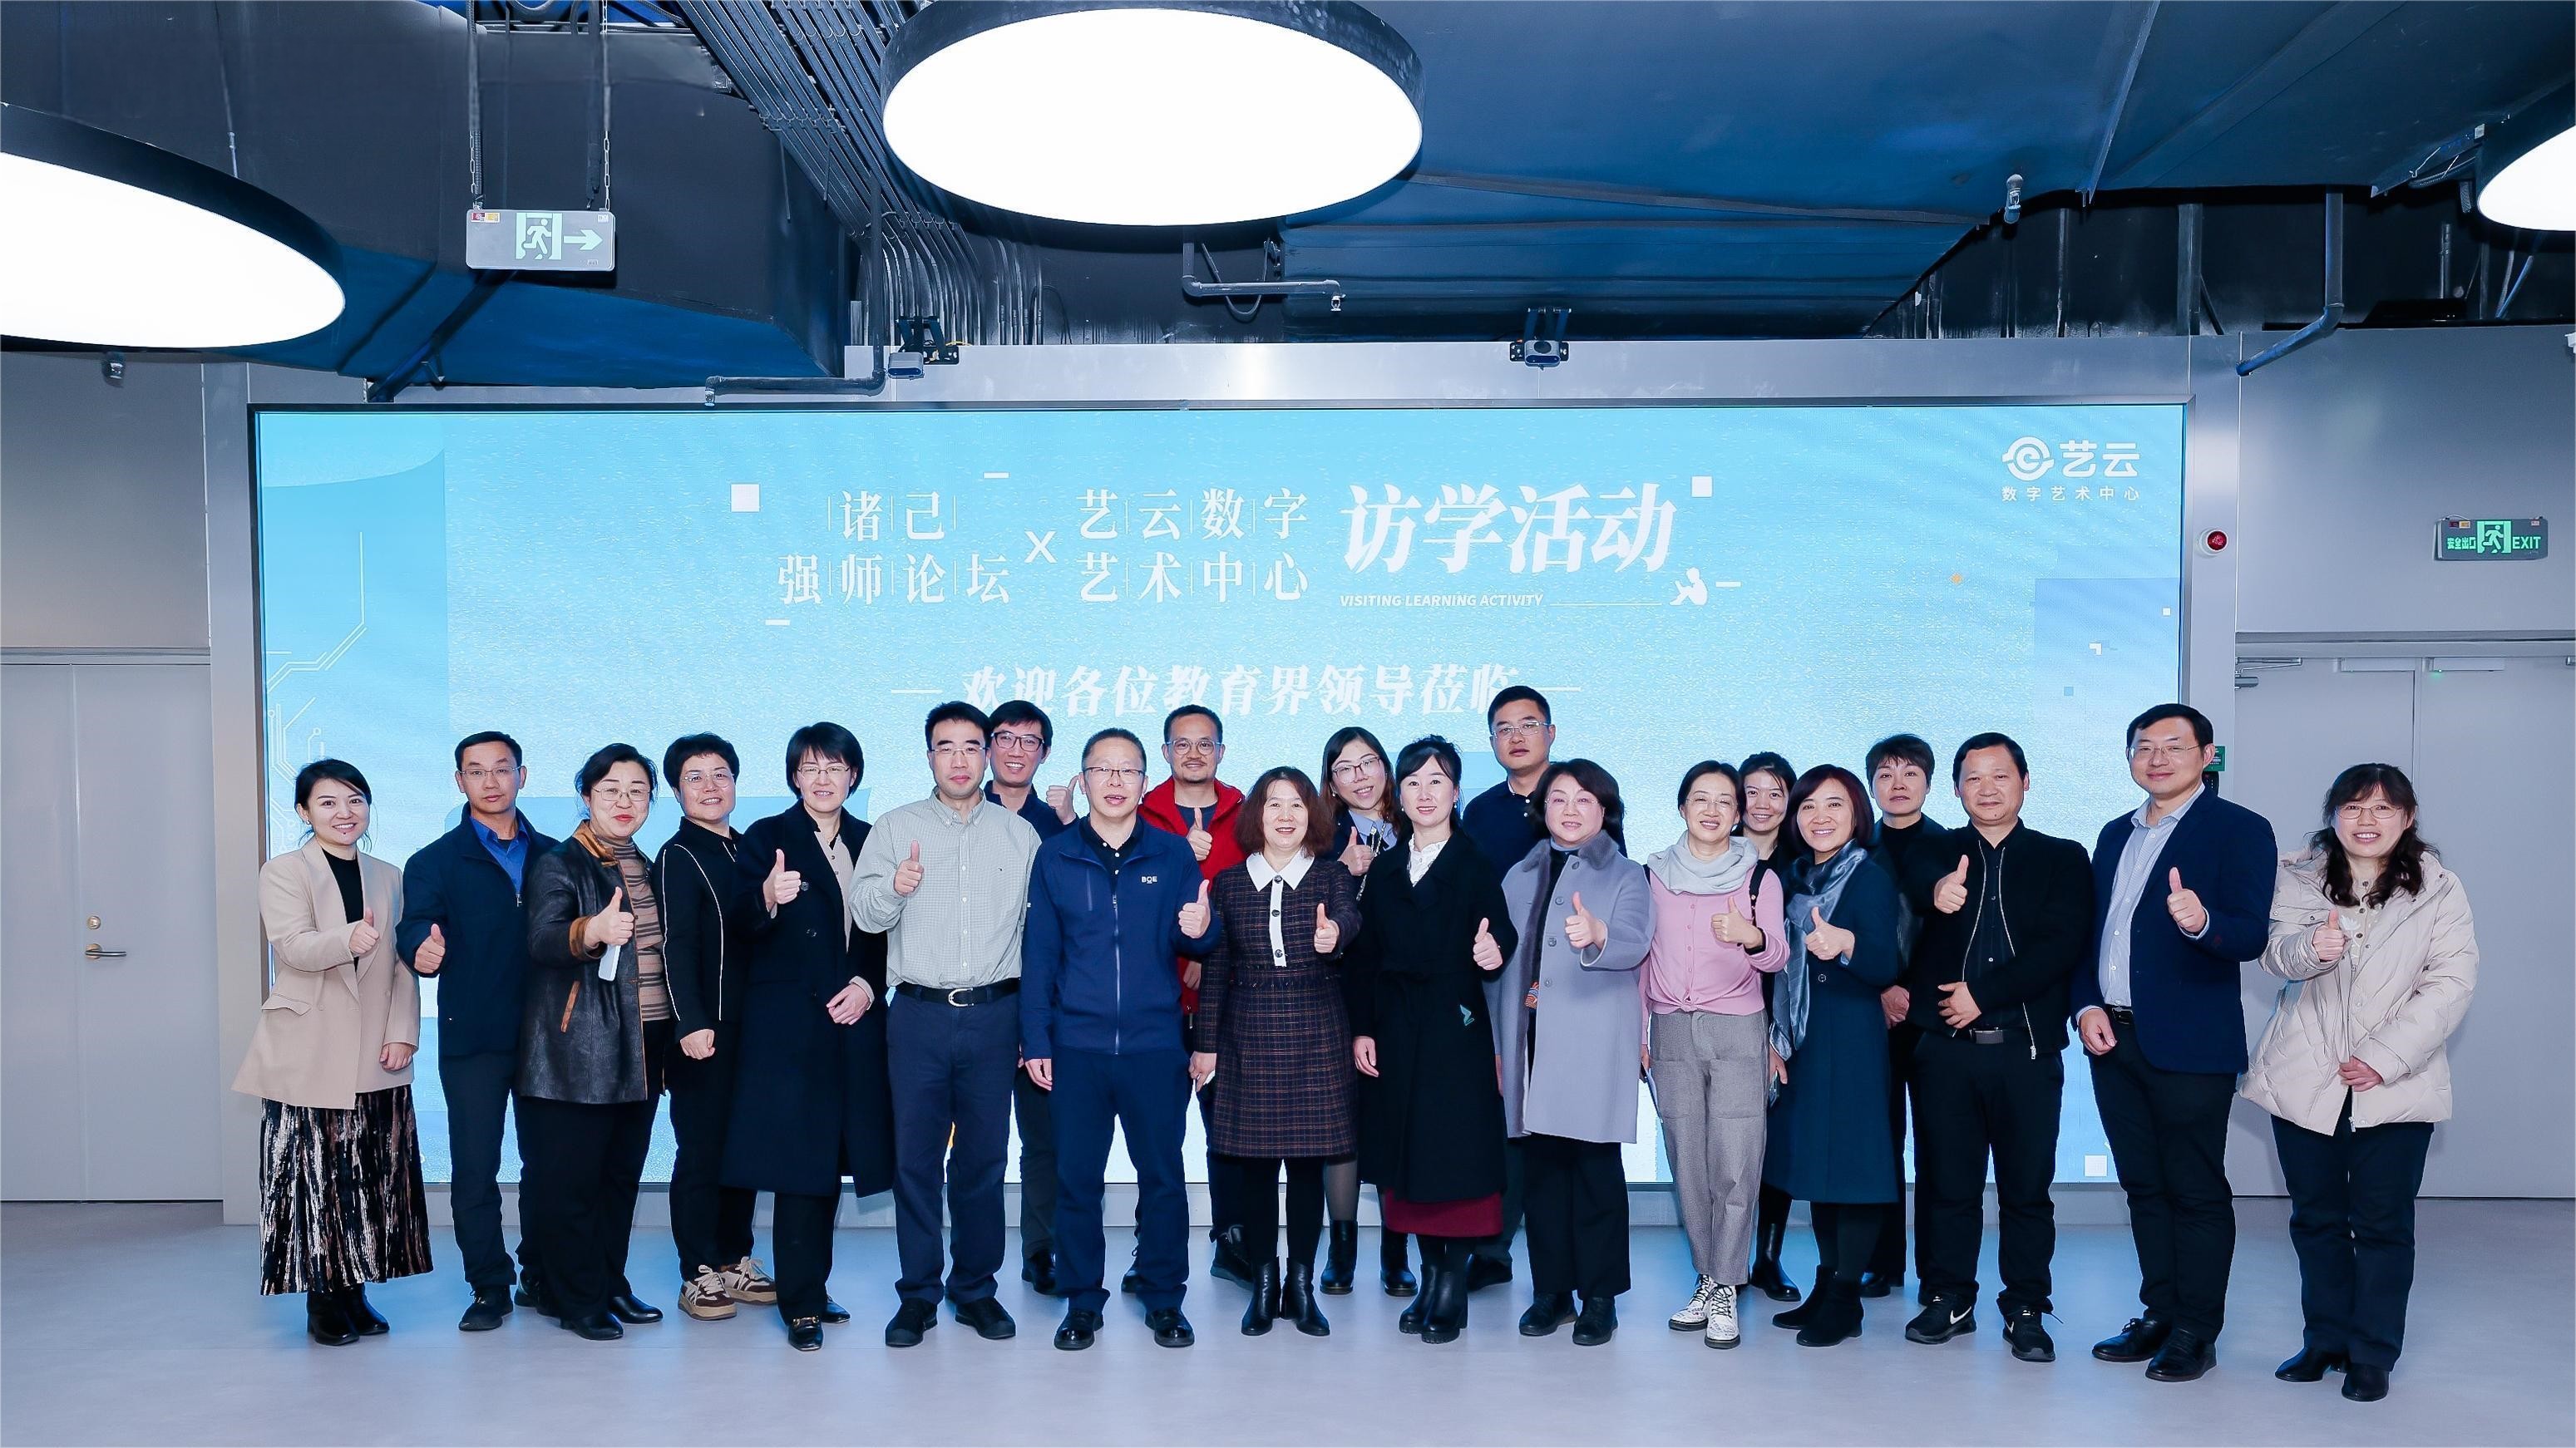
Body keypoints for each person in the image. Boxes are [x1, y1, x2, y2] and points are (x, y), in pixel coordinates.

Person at [2243, 764, 2477, 1404]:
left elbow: (2451, 982)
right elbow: (2273, 954)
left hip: (2396, 1083)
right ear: (2333, 815)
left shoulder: (2439, 888)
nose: (2366, 820)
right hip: (2305, 1074)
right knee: (2315, 1219)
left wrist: (2384, 1056)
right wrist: (2311, 951)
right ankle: (2325, 1340)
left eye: (2382, 808)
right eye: (2352, 807)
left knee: (2382, 1224)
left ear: (2407, 817)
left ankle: (2372, 1352)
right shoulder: (2298, 876)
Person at [2071, 702, 2277, 1383]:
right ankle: (2159, 1312)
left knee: (2194, 1189)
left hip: (2191, 1044)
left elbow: (2249, 934)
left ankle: (2196, 1329)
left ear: (2207, 756)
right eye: (2144, 747)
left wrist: (2201, 921)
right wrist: (2085, 1004)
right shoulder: (2114, 833)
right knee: (2143, 1185)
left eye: (2173, 746)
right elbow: (2092, 933)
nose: (2156, 758)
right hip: (2113, 1038)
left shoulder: (2240, 829)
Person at [1022, 727, 1224, 1352]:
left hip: (1154, 1044)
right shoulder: (1055, 856)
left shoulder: (1171, 854)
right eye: (1102, 770)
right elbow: (1040, 955)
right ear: (1083, 781)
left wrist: (1203, 927)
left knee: (1162, 1177)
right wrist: (1036, 1040)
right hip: (1076, 1046)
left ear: (1144, 782)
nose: (1115, 781)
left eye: (1128, 770)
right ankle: (1082, 1302)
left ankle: (1165, 1299)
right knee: (1078, 1181)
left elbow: (1196, 941)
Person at [1894, 733, 2093, 1362]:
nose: (1987, 788)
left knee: (2025, 1189)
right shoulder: (1934, 850)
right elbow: (1914, 877)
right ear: (1956, 790)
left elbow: (2060, 947)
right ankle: (1948, 1297)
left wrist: (1983, 994)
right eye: (1973, 778)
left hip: (2025, 1050)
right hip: (1945, 1051)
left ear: (2025, 783)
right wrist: (1936, 891)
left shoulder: (2063, 857)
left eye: (2000, 776)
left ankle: (2026, 1307)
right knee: (1945, 1185)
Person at [852, 702, 1041, 1348]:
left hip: (995, 1015)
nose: (959, 760)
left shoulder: (1020, 836)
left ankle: (976, 1290)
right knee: (915, 1161)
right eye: (945, 747)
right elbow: (866, 916)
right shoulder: (894, 827)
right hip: (918, 1016)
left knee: (984, 1161)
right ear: (928, 755)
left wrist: (1032, 1025)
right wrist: (896, 886)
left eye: (970, 747)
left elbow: (1037, 936)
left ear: (986, 754)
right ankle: (918, 1295)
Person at [235, 760, 432, 1345]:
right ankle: (321, 1299)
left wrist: (403, 1031)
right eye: (327, 803)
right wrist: (348, 937)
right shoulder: (283, 871)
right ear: (303, 811)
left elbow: (402, 964)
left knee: (369, 1175)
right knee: (314, 1178)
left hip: (375, 1046)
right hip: (310, 1047)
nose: (344, 813)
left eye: (355, 800)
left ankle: (355, 1290)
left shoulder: (389, 876)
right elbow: (293, 948)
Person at [724, 722, 896, 1352]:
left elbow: (886, 930)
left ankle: (813, 1287)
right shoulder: (766, 837)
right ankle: (798, 1304)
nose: (823, 779)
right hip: (790, 1030)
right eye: (810, 768)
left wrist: (869, 986)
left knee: (832, 1163)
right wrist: (766, 896)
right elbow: (736, 923)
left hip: (854, 1020)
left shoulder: (872, 840)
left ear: (854, 775)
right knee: (800, 1168)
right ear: (794, 777)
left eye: (835, 767)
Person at [1346, 736, 1519, 1345]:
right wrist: (1363, 1027)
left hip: (1454, 1026)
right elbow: (1366, 958)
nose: (1425, 794)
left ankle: (1451, 1287)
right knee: (1407, 1157)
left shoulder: (1474, 862)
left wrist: (1494, 950)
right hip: (1395, 1027)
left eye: (1437, 781)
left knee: (1452, 1154)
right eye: (1413, 782)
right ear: (1400, 793)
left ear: (1456, 791)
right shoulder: (1387, 867)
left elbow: (1500, 933)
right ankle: (1427, 1278)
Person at [1192, 766, 1364, 1337]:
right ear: (1256, 816)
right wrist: (1206, 1047)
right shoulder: (1230, 883)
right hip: (1248, 1034)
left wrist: (1334, 936)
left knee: (1310, 1168)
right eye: (1273, 804)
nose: (1285, 816)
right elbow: (1216, 969)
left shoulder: (1332, 875)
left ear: (1312, 815)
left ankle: (1302, 1286)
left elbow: (1350, 919)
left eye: (1296, 804)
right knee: (1257, 1170)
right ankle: (1264, 1286)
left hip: (1318, 1031)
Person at [395, 731, 557, 1331]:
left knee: (549, 1166)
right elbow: (414, 926)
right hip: (472, 1036)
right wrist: (420, 948)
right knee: (474, 1166)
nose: (491, 781)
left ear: (522, 775)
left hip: (549, 1038)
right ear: (459, 781)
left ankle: (540, 1273)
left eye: (502, 768)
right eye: (476, 770)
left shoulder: (556, 856)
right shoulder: (433, 861)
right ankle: (489, 1285)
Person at [1495, 760, 1653, 1346]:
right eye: (1558, 798)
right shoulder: (1518, 875)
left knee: (1594, 1173)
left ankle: (1600, 1298)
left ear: (1604, 810)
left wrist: (1600, 935)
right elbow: (1501, 962)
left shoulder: (1628, 875)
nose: (1569, 809)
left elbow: (1636, 941)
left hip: (1593, 1041)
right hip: (1532, 1042)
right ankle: (1552, 1293)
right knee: (1541, 1175)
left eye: (1584, 799)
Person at [518, 744, 671, 1342]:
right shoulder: (560, 863)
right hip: (576, 1048)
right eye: (611, 790)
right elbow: (542, 940)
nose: (625, 801)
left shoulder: (647, 864)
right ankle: (576, 1299)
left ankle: (608, 1284)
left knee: (619, 1178)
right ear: (586, 797)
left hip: (642, 1046)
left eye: (637, 791)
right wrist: (592, 930)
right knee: (573, 1184)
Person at [1640, 761, 1786, 1348]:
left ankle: (1726, 1283)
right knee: (1689, 1160)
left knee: (1736, 1159)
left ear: (1737, 814)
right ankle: (1707, 1276)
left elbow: (1778, 956)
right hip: (1671, 1027)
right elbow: (1641, 960)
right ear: (1682, 807)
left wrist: (1751, 936)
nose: (1712, 810)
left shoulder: (1758, 878)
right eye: (1700, 799)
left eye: (1725, 801)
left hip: (1737, 1028)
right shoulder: (1653, 875)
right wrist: (1642, 1034)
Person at [1762, 765, 1904, 1347]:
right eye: (1809, 807)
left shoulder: (1869, 877)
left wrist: (1847, 944)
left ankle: (1846, 1299)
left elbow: (1887, 963)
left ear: (1856, 815)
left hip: (1850, 1039)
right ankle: (1827, 1283)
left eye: (1835, 805)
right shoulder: (1793, 879)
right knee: (1818, 1169)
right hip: (1803, 1038)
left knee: (1855, 1169)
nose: (1820, 817)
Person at [654, 733, 776, 1322]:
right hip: (704, 1031)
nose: (710, 787)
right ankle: (697, 1269)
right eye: (695, 777)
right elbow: (674, 947)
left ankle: (734, 1257)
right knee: (701, 1152)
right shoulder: (678, 855)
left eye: (720, 774)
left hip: (754, 1030)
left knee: (744, 1148)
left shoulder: (751, 850)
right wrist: (690, 1022)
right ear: (677, 791)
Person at [1137, 704, 1252, 1288]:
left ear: (1221, 752)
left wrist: (1210, 958)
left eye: (1205, 743)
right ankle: (1151, 1253)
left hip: (1227, 1005)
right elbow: (1128, 913)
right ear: (1165, 752)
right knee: (1156, 1138)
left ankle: (1233, 1244)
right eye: (1182, 743)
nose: (1193, 753)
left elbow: (1258, 903)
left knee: (1229, 1134)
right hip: (1156, 1006)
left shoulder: (1249, 814)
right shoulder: (1138, 814)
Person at [1458, 685, 1557, 1292]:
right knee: (1503, 1112)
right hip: (1496, 980)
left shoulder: (1577, 796)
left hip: (1567, 983)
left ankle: (1556, 1258)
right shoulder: (1481, 811)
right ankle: (1493, 1248)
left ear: (1551, 732)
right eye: (1503, 728)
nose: (1516, 737)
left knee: (1555, 1120)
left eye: (1528, 724)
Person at [985, 697, 1073, 1297]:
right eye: (1005, 738)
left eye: (1030, 741)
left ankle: (1042, 1250)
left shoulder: (1061, 829)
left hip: (1046, 1007)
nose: (1017, 751)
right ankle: (972, 1265)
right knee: (980, 1147)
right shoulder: (955, 817)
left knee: (1046, 1141)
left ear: (1044, 753)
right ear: (988, 746)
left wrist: (1036, 1023)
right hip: (978, 1004)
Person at [1320, 723, 1410, 1296]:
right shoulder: (1321, 838)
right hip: (1337, 994)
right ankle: (1342, 1250)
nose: (1359, 776)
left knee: (1398, 1120)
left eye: (1368, 761)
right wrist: (1343, 872)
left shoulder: (1423, 825)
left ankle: (1397, 1252)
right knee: (1341, 1126)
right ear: (1330, 783)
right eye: (1345, 768)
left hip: (1403, 996)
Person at [1862, 731, 1941, 1301]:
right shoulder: (1855, 846)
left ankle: (1937, 1272)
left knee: (1939, 1147)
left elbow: (1954, 935)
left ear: (1929, 784)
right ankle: (1881, 1262)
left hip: (1936, 1018)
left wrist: (1910, 991)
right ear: (1872, 786)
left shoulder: (1952, 845)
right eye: (1886, 775)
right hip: (1872, 1014)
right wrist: (1883, 988)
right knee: (1878, 1142)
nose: (1898, 784)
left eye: (1910, 773)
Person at [1735, 749, 1804, 1304]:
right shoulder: (1712, 855)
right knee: (1727, 1147)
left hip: (1792, 1016)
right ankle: (1724, 1260)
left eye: (1775, 793)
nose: (1762, 803)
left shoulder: (1803, 864)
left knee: (1778, 1143)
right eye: (1752, 791)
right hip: (1728, 1011)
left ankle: (1767, 1258)